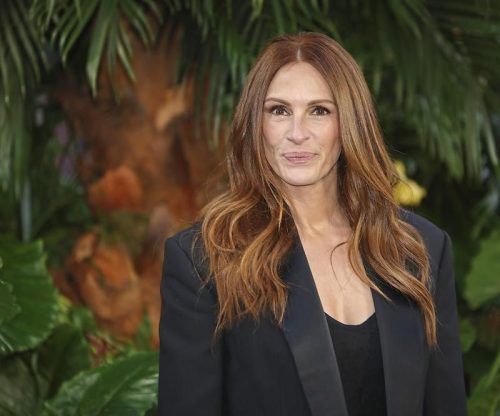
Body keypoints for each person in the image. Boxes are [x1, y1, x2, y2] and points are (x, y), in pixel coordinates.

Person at [157, 32, 467, 416]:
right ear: (255, 123)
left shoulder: (420, 249)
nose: (297, 133)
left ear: (350, 122)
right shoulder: (205, 259)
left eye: (319, 110)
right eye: (279, 110)